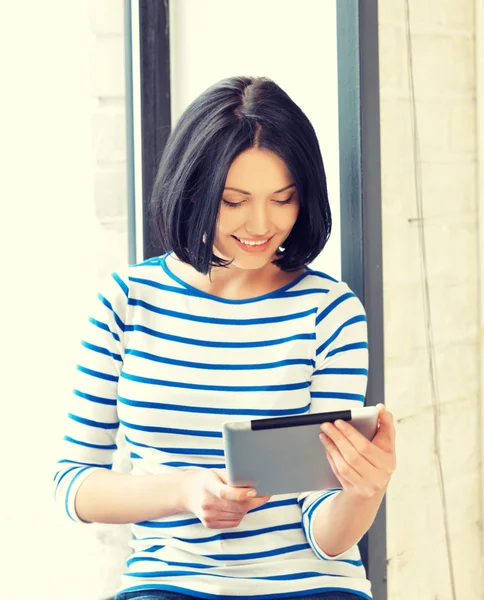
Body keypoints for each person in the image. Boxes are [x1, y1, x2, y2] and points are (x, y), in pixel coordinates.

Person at [53, 75, 396, 600]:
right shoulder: (127, 300)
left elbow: (324, 535)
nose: (262, 224)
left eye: (283, 199)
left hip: (311, 586)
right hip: (169, 585)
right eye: (234, 201)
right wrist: (184, 492)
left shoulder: (331, 312)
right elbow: (74, 483)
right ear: (194, 189)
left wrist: (363, 492)